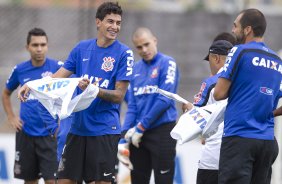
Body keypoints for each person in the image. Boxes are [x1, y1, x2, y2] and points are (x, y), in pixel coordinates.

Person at [18, 2, 133, 184]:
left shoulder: (124, 53)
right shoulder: (81, 48)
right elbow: (56, 79)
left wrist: (92, 90)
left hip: (104, 131)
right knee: (63, 181)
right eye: (110, 21)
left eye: (118, 23)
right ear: (98, 22)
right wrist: (33, 85)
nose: (115, 27)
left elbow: (119, 96)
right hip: (78, 129)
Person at [213, 9, 281, 184]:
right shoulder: (277, 60)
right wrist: (269, 113)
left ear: (247, 29)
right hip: (267, 142)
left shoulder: (239, 51)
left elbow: (219, 93)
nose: (233, 30)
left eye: (236, 25)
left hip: (240, 138)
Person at [120, 27, 179, 184]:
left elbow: (165, 100)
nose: (144, 50)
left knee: (164, 180)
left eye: (147, 44)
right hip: (139, 135)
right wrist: (124, 135)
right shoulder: (134, 70)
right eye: (139, 47)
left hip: (162, 130)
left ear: (155, 40)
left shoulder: (167, 63)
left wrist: (141, 126)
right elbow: (132, 106)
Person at [1, 28, 60, 184]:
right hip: (26, 134)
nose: (39, 49)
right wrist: (11, 117)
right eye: (35, 45)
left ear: (47, 46)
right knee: (30, 180)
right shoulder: (20, 70)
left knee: (52, 181)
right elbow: (6, 93)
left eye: (43, 44)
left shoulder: (58, 68)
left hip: (49, 134)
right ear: (27, 47)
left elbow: (70, 93)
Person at [185, 33, 235, 184]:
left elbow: (195, 116)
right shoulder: (245, 81)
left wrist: (188, 108)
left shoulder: (211, 82)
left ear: (216, 58)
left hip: (213, 157)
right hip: (239, 156)